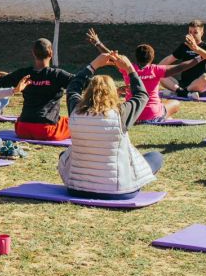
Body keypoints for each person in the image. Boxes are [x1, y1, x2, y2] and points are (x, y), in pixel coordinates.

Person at [59, 52, 164, 199]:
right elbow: (142, 95)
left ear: (88, 92)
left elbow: (73, 88)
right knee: (156, 156)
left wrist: (94, 64)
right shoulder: (120, 113)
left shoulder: (75, 109)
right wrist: (129, 69)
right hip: (118, 191)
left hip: (76, 189)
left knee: (64, 155)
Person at [86, 29, 200, 122]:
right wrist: (201, 56)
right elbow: (180, 67)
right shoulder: (155, 69)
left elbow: (111, 56)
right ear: (152, 57)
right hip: (153, 114)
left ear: (136, 56)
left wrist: (97, 42)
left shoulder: (128, 68)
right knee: (175, 103)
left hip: (131, 112)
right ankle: (164, 116)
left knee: (163, 104)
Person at [0, 38, 73, 141]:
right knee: (72, 123)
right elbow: (84, 81)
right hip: (47, 131)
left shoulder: (23, 73)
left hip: (22, 129)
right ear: (51, 53)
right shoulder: (58, 75)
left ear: (33, 53)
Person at [158, 19, 206, 98]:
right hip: (183, 84)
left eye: (195, 32)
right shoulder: (184, 46)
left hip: (200, 86)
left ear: (202, 33)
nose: (192, 35)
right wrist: (155, 69)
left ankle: (179, 92)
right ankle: (184, 92)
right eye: (190, 32)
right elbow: (169, 59)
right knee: (159, 74)